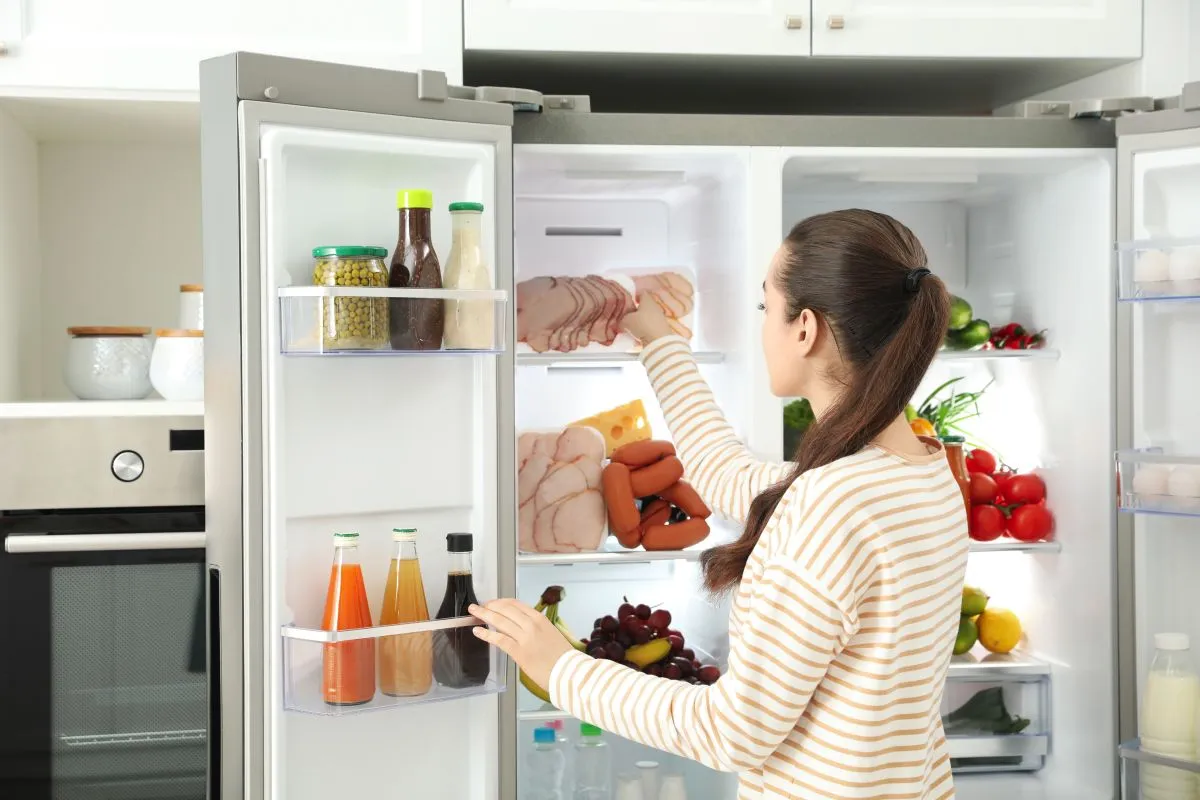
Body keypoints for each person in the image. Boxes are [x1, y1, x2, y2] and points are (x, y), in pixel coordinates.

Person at [471, 209, 969, 799]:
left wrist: (560, 669)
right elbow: (722, 470)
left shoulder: (830, 505)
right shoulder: (923, 472)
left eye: (766, 307)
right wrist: (658, 339)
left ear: (804, 329)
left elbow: (734, 732)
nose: (763, 326)